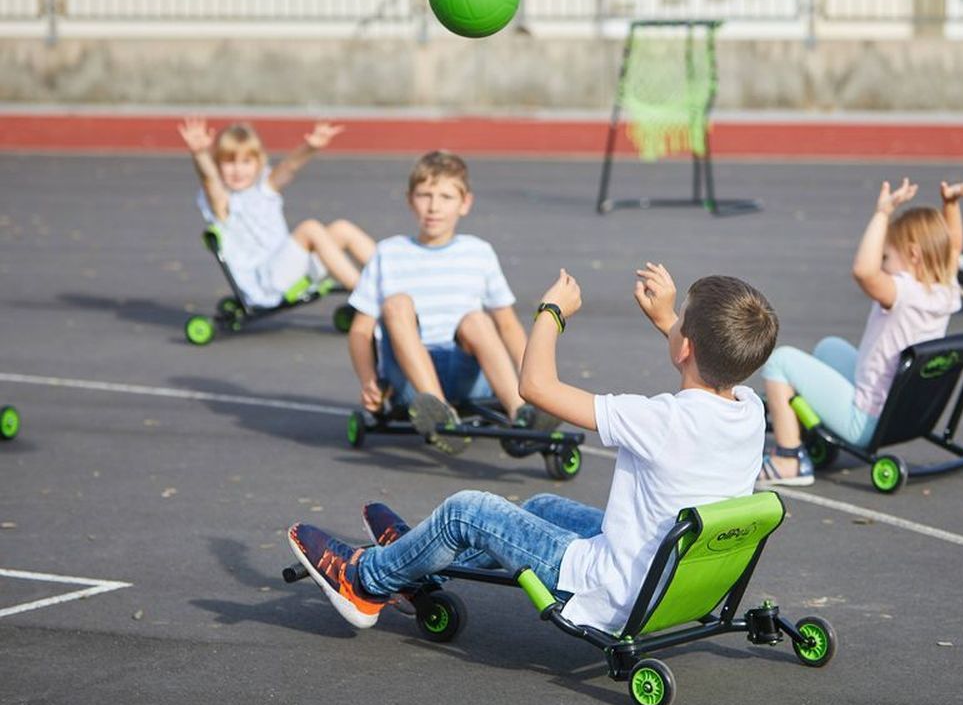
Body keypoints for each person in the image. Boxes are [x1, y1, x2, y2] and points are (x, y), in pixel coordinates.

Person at [288, 263, 779, 633]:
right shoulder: (749, 407)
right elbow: (704, 363)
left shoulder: (658, 419)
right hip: (677, 582)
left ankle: (365, 579)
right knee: (543, 506)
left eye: (680, 325)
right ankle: (417, 561)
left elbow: (535, 387)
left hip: (616, 592)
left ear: (686, 346)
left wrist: (551, 314)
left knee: (467, 511)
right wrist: (671, 319)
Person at [757, 177, 963, 487]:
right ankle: (806, 429)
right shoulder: (946, 290)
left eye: (887, 257)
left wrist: (882, 213)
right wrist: (951, 205)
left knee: (780, 361)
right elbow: (952, 245)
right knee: (828, 348)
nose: (883, 264)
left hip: (865, 422)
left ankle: (789, 458)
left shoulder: (903, 293)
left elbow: (864, 271)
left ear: (913, 255)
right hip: (901, 415)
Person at [345, 150, 556, 454]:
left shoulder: (479, 252)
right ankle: (438, 411)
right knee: (397, 304)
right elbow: (360, 332)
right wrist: (369, 382)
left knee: (476, 320)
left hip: (466, 371)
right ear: (410, 200)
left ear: (465, 203)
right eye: (424, 195)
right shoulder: (388, 253)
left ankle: (520, 411)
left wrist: (538, 382)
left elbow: (507, 325)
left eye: (445, 197)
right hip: (409, 380)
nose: (433, 207)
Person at [178, 118, 375, 309]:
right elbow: (210, 180)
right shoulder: (223, 203)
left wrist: (311, 147)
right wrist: (200, 154)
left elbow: (289, 167)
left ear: (258, 163)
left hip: (289, 270)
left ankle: (398, 279)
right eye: (229, 162)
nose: (238, 170)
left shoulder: (265, 189)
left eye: (246, 162)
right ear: (217, 164)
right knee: (310, 229)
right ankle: (367, 299)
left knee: (342, 229)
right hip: (265, 282)